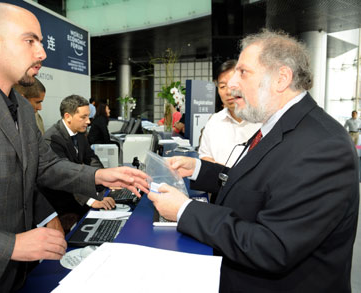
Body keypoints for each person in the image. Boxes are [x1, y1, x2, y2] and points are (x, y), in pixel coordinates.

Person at [0, 3, 148, 292]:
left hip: (16, 278)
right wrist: (9, 245)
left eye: (41, 42)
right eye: (30, 41)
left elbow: (44, 165)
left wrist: (99, 177)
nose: (42, 53)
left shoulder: (21, 107)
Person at [148, 29, 359, 292]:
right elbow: (256, 183)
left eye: (243, 72)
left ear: (281, 78)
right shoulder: (279, 125)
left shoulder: (323, 147)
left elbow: (273, 247)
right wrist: (199, 168)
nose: (233, 84)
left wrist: (184, 210)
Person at [41, 95, 116, 232]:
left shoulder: (80, 132)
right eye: (83, 117)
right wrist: (92, 201)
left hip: (77, 195)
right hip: (62, 204)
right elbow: (65, 176)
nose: (88, 121)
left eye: (88, 116)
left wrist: (104, 178)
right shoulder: (52, 139)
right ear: (68, 116)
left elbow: (91, 158)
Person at [199, 60, 261, 166]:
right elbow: (205, 156)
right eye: (222, 86)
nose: (228, 92)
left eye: (233, 84)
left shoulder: (264, 120)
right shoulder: (214, 121)